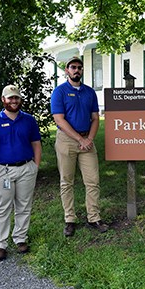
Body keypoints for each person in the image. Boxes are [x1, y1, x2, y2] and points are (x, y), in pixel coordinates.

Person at [50, 56, 108, 236]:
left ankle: (94, 217)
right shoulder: (59, 92)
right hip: (66, 140)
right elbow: (59, 119)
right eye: (73, 67)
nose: (77, 70)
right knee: (66, 181)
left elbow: (95, 118)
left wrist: (89, 138)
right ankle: (70, 219)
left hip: (87, 140)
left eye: (79, 68)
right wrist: (79, 139)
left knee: (93, 180)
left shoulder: (89, 92)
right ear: (67, 70)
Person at [0, 85, 42, 261]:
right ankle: (0, 244)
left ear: (20, 99)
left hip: (26, 168)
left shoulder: (29, 120)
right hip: (3, 170)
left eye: (16, 98)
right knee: (2, 206)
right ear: (3, 100)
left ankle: (20, 238)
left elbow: (36, 144)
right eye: (10, 98)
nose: (13, 101)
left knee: (24, 204)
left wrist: (36, 166)